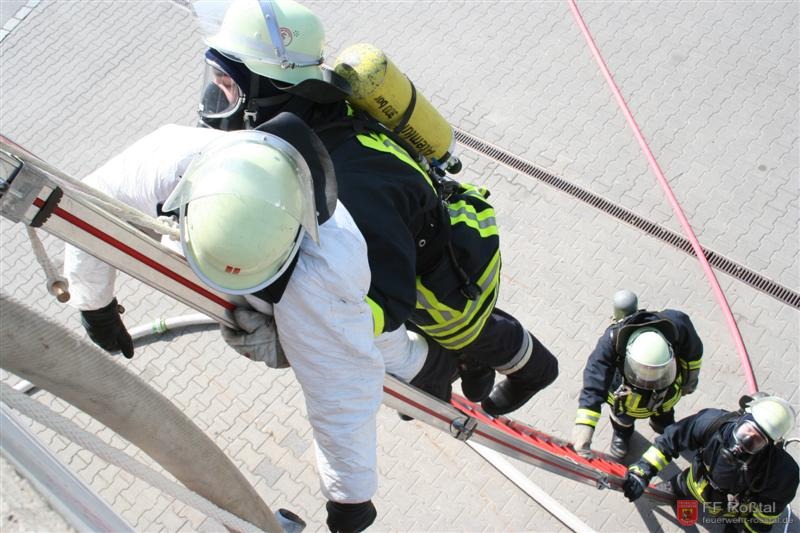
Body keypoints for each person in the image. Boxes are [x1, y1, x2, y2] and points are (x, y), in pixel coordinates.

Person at [63, 115, 457, 532]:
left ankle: (431, 369)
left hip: (330, 296)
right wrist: (95, 304)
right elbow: (92, 201)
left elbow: (340, 390)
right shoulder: (171, 162)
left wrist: (351, 498)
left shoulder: (325, 265)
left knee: (373, 344)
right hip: (264, 273)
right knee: (345, 341)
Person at [189, 0, 559, 415]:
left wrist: (301, 336)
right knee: (456, 352)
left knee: (472, 335)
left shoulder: (348, 184)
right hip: (413, 248)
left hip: (446, 289)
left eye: (228, 85)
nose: (217, 100)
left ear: (271, 86)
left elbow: (388, 303)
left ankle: (535, 371)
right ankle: (471, 367)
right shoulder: (317, 116)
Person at [623, 394, 799, 533]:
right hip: (693, 483)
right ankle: (675, 491)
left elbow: (766, 514)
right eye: (745, 430)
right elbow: (670, 441)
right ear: (742, 417)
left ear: (769, 445)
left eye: (756, 441)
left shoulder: (781, 473)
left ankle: (735, 526)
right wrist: (642, 472)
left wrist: (751, 530)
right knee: (677, 488)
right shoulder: (711, 422)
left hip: (733, 508)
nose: (742, 443)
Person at [571, 290, 703, 459]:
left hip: (666, 392)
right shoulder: (612, 340)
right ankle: (622, 434)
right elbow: (594, 379)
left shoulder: (677, 326)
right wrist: (585, 425)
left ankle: (662, 424)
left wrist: (690, 380)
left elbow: (693, 353)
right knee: (622, 419)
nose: (649, 381)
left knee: (665, 412)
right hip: (625, 399)